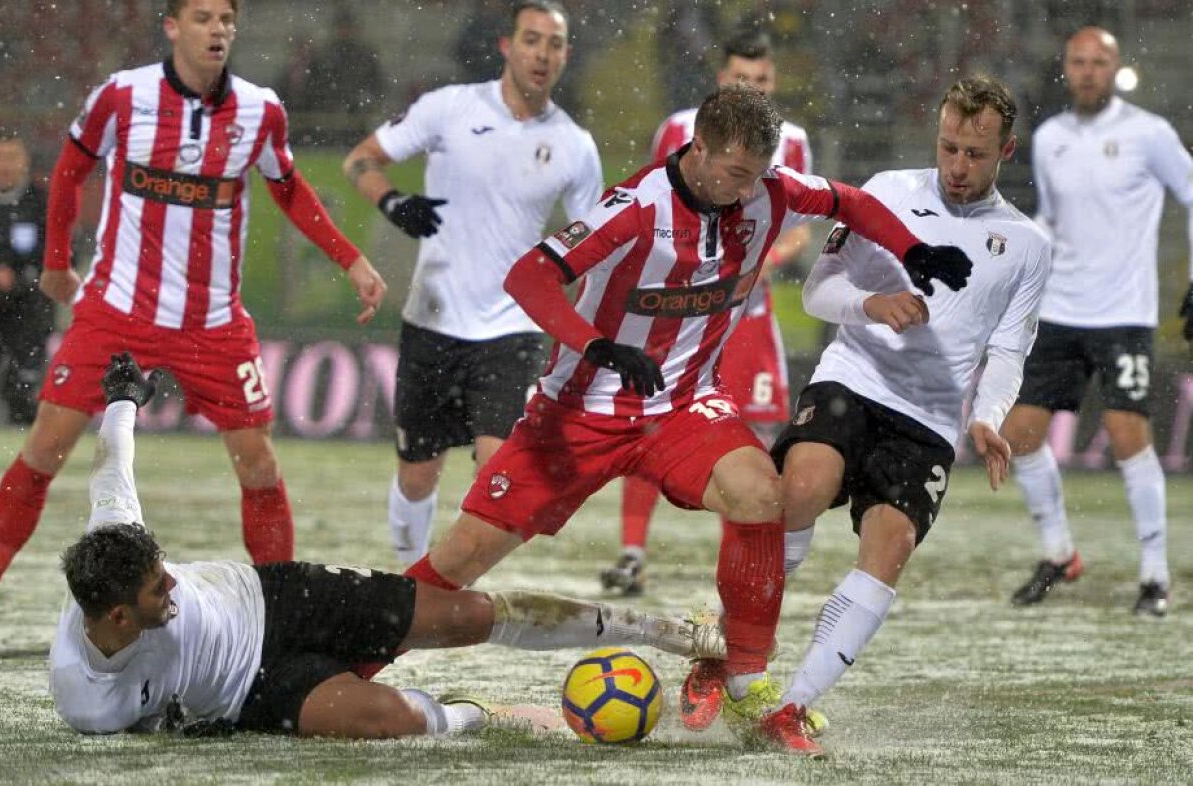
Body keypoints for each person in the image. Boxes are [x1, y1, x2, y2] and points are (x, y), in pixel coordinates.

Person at [395, 84, 973, 741]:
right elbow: (529, 275)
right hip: (580, 410)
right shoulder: (636, 207)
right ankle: (359, 651)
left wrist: (913, 252)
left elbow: (850, 201)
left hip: (683, 404)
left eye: (755, 175)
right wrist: (598, 346)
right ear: (697, 149)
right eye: (732, 173)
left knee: (761, 494)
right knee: (464, 555)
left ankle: (747, 684)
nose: (743, 189)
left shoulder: (769, 190)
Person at [50, 353, 740, 737]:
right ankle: (480, 714)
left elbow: (113, 465)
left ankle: (678, 634)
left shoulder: (114, 545)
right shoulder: (87, 705)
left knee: (467, 615)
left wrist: (121, 400)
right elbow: (145, 719)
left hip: (280, 600)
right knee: (390, 720)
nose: (173, 581)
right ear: (115, 617)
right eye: (156, 588)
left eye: (165, 569)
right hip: (251, 696)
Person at [697, 76, 1049, 755]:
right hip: (853, 380)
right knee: (795, 494)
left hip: (931, 418)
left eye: (975, 154)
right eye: (948, 147)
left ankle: (788, 709)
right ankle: (722, 646)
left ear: (1005, 150)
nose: (958, 166)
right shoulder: (887, 191)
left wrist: (990, 416)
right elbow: (822, 288)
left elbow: (1009, 347)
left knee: (890, 548)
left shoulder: (1026, 244)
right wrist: (873, 306)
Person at [0, 0, 388, 593]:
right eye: (203, 18)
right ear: (173, 27)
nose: (218, 30)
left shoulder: (260, 110)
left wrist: (350, 259)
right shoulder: (123, 96)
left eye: (227, 20)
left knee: (258, 464)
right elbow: (72, 172)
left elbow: (290, 190)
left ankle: (278, 612)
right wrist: (55, 263)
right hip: (118, 308)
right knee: (45, 448)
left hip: (213, 321)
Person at [342, 0, 602, 567]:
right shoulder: (449, 108)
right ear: (508, 47)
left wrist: (573, 310)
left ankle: (448, 583)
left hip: (512, 328)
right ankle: (410, 578)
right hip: (432, 320)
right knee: (417, 476)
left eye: (554, 44)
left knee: (498, 467)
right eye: (532, 40)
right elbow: (359, 161)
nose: (542, 54)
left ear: (565, 57)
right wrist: (394, 202)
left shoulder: (576, 146)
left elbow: (594, 245)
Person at [602, 29, 815, 596]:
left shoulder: (792, 141)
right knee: (648, 420)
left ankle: (739, 573)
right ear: (723, 80)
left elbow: (798, 232)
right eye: (744, 79)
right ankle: (630, 554)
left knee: (753, 435)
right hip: (681, 311)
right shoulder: (678, 129)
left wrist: (762, 259)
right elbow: (655, 204)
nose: (755, 88)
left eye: (764, 80)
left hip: (747, 311)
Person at [1001, 27, 1193, 617]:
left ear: (1115, 68)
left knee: (1131, 436)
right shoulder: (1052, 136)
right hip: (1059, 311)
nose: (1088, 72)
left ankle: (1155, 578)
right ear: (1066, 67)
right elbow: (1052, 219)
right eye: (1078, 62)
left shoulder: (1148, 134)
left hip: (1124, 314)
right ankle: (1059, 554)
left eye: (1099, 62)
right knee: (1017, 435)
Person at [0, 132, 52, 425]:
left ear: (25, 161)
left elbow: (60, 252)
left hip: (29, 307)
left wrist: (23, 277)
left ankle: (22, 446)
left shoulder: (41, 201)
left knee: (22, 384)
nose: (5, 164)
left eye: (11, 156)